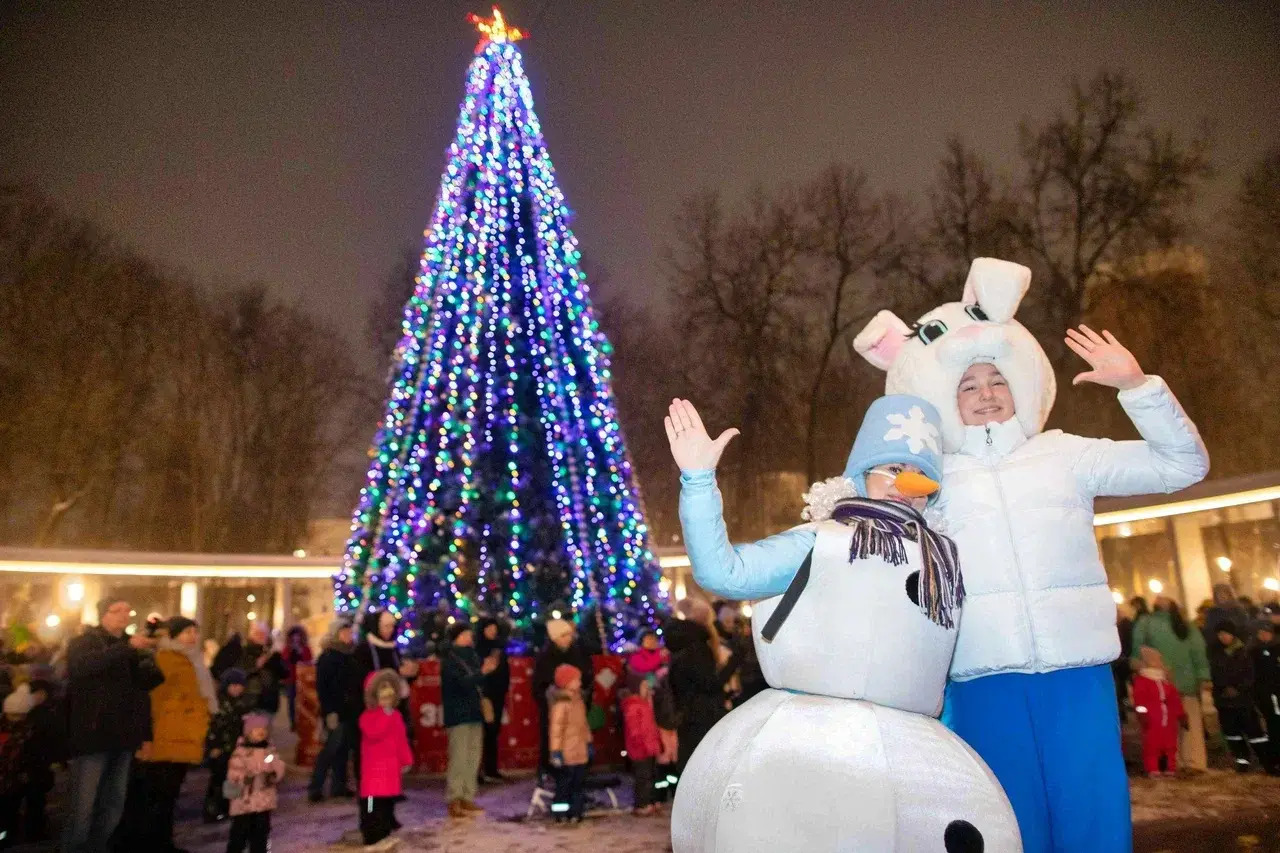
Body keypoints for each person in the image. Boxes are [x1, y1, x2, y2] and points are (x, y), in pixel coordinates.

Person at [852, 260, 1209, 852]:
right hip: (981, 679)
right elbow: (875, 526)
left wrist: (1138, 387)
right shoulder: (934, 480)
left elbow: (1183, 465)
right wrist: (871, 491)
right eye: (967, 386)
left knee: (1093, 822)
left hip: (1077, 674)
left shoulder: (1065, 455)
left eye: (995, 381)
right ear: (943, 399)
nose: (986, 395)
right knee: (1009, 828)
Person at [63, 594, 164, 853]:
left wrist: (148, 655)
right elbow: (82, 667)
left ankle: (98, 847)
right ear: (103, 614)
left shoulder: (130, 646)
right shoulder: (85, 641)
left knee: (113, 804)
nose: (124, 614)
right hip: (93, 734)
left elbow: (146, 688)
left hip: (124, 736)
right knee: (83, 806)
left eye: (127, 610)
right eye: (117, 609)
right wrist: (127, 648)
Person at [142, 616, 217, 852]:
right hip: (169, 733)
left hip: (184, 733)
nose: (192, 637)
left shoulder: (190, 659)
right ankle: (157, 844)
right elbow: (159, 698)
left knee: (171, 794)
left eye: (194, 632)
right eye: (186, 632)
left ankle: (163, 842)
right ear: (173, 635)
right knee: (163, 794)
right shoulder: (168, 659)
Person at [1130, 597, 1212, 772]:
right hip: (1173, 681)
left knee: (1175, 723)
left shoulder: (1150, 623)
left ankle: (1181, 762)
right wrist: (1202, 675)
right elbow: (1198, 651)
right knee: (1181, 723)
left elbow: (1137, 648)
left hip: (1168, 682)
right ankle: (1185, 761)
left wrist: (1137, 665)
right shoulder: (1182, 625)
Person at [440, 622, 496, 818]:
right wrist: (483, 672)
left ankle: (467, 796)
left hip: (474, 711)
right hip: (458, 713)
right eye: (465, 634)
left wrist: (484, 673)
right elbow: (462, 683)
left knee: (473, 756)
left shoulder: (472, 655)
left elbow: (477, 682)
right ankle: (454, 798)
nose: (469, 637)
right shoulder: (449, 659)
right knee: (459, 757)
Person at [1209, 621, 1278, 773]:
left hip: (1243, 700)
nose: (1223, 637)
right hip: (1224, 701)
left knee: (1255, 733)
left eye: (1226, 634)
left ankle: (1267, 762)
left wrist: (1238, 688)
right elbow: (1214, 675)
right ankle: (1242, 761)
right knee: (1233, 734)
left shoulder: (1244, 652)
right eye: (1220, 634)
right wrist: (1222, 689)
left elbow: (1250, 675)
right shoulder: (1215, 653)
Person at [358, 669, 413, 849]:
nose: (386, 703)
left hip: (390, 771)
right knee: (373, 806)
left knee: (386, 805)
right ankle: (371, 838)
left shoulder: (395, 716)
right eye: (382, 698)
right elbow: (375, 733)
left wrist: (406, 760)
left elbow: (401, 739)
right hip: (374, 773)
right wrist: (384, 715)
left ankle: (384, 833)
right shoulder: (367, 717)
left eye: (389, 698)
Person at [532, 618, 592, 777]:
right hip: (555, 706)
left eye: (569, 635)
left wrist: (583, 692)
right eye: (564, 635)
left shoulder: (576, 652)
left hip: (576, 704)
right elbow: (539, 685)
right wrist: (556, 695)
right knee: (555, 736)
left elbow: (586, 675)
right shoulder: (545, 657)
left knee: (576, 736)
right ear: (555, 637)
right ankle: (553, 771)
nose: (569, 638)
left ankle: (577, 773)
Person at [309, 618, 358, 802]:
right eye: (344, 632)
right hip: (335, 710)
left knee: (343, 750)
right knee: (331, 748)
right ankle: (316, 786)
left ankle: (339, 785)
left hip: (349, 710)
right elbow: (323, 687)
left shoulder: (350, 656)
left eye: (349, 632)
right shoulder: (328, 657)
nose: (348, 635)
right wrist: (329, 711)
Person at [224, 712, 285, 853]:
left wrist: (274, 773)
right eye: (257, 730)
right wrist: (244, 778)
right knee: (239, 834)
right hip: (243, 803)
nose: (261, 733)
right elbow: (233, 774)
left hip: (263, 801)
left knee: (261, 833)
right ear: (248, 732)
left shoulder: (269, 751)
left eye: (263, 730)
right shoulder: (240, 753)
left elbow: (278, 765)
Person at [204, 669, 251, 823]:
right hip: (221, 749)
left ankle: (228, 806)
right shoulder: (218, 703)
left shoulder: (242, 704)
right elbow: (213, 727)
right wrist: (213, 746)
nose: (237, 688)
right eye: (233, 685)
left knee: (233, 778)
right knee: (218, 780)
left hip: (235, 749)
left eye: (240, 685)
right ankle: (212, 809)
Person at [548, 664, 593, 824]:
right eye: (576, 680)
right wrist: (556, 752)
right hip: (567, 753)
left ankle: (576, 812)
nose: (579, 683)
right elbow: (556, 731)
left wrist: (588, 742)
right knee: (564, 785)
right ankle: (560, 813)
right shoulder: (561, 704)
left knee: (578, 784)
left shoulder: (578, 700)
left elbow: (584, 725)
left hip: (580, 751)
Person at [1132, 646, 1186, 777]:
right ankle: (1153, 768)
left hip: (1168, 718)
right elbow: (1139, 701)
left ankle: (1170, 768)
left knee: (1170, 744)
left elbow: (1174, 699)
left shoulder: (1165, 681)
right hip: (1153, 717)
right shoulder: (1143, 681)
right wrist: (1143, 714)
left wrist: (1181, 714)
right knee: (1152, 744)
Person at [620, 670, 662, 816]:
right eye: (644, 687)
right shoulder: (633, 706)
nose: (647, 689)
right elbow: (634, 730)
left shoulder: (645, 704)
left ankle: (651, 800)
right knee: (642, 778)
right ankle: (642, 803)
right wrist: (641, 745)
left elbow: (651, 726)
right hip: (640, 749)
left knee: (651, 776)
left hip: (649, 747)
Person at [475, 616, 510, 783]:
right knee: (481, 733)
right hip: (484, 696)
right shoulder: (477, 649)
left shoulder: (499, 648)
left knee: (493, 732)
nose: (492, 631)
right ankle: (478, 771)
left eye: (494, 628)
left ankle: (491, 768)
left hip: (497, 695)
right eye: (489, 628)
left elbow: (504, 671)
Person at [0, 684, 33, 848]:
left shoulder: (10, 731)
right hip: (11, 783)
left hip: (9, 782)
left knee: (7, 815)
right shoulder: (25, 732)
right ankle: (6, 839)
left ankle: (4, 839)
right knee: (9, 814)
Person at [239, 623, 287, 715]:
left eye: (263, 634)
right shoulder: (245, 652)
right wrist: (255, 666)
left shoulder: (273, 654)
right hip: (251, 701)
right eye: (258, 633)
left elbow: (284, 674)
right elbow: (240, 672)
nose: (261, 637)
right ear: (252, 635)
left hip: (269, 702)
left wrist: (277, 660)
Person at [1252, 620, 1280, 750]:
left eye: (1267, 633)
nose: (1264, 635)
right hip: (1263, 694)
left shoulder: (1277, 648)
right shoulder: (1253, 651)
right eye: (1261, 633)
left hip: (1276, 692)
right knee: (1271, 724)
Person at [1204, 584, 1251, 654]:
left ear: (1229, 594)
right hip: (1219, 649)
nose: (1221, 596)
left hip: (1238, 648)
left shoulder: (1238, 610)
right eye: (1218, 594)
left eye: (1223, 593)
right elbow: (1209, 631)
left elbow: (1244, 629)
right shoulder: (1212, 612)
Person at [281, 626, 312, 731]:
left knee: (303, 701)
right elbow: (284, 661)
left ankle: (302, 721)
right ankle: (293, 722)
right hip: (291, 679)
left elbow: (309, 661)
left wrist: (300, 651)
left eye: (298, 635)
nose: (296, 638)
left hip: (303, 679)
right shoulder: (287, 648)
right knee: (291, 702)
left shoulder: (305, 648)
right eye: (294, 636)